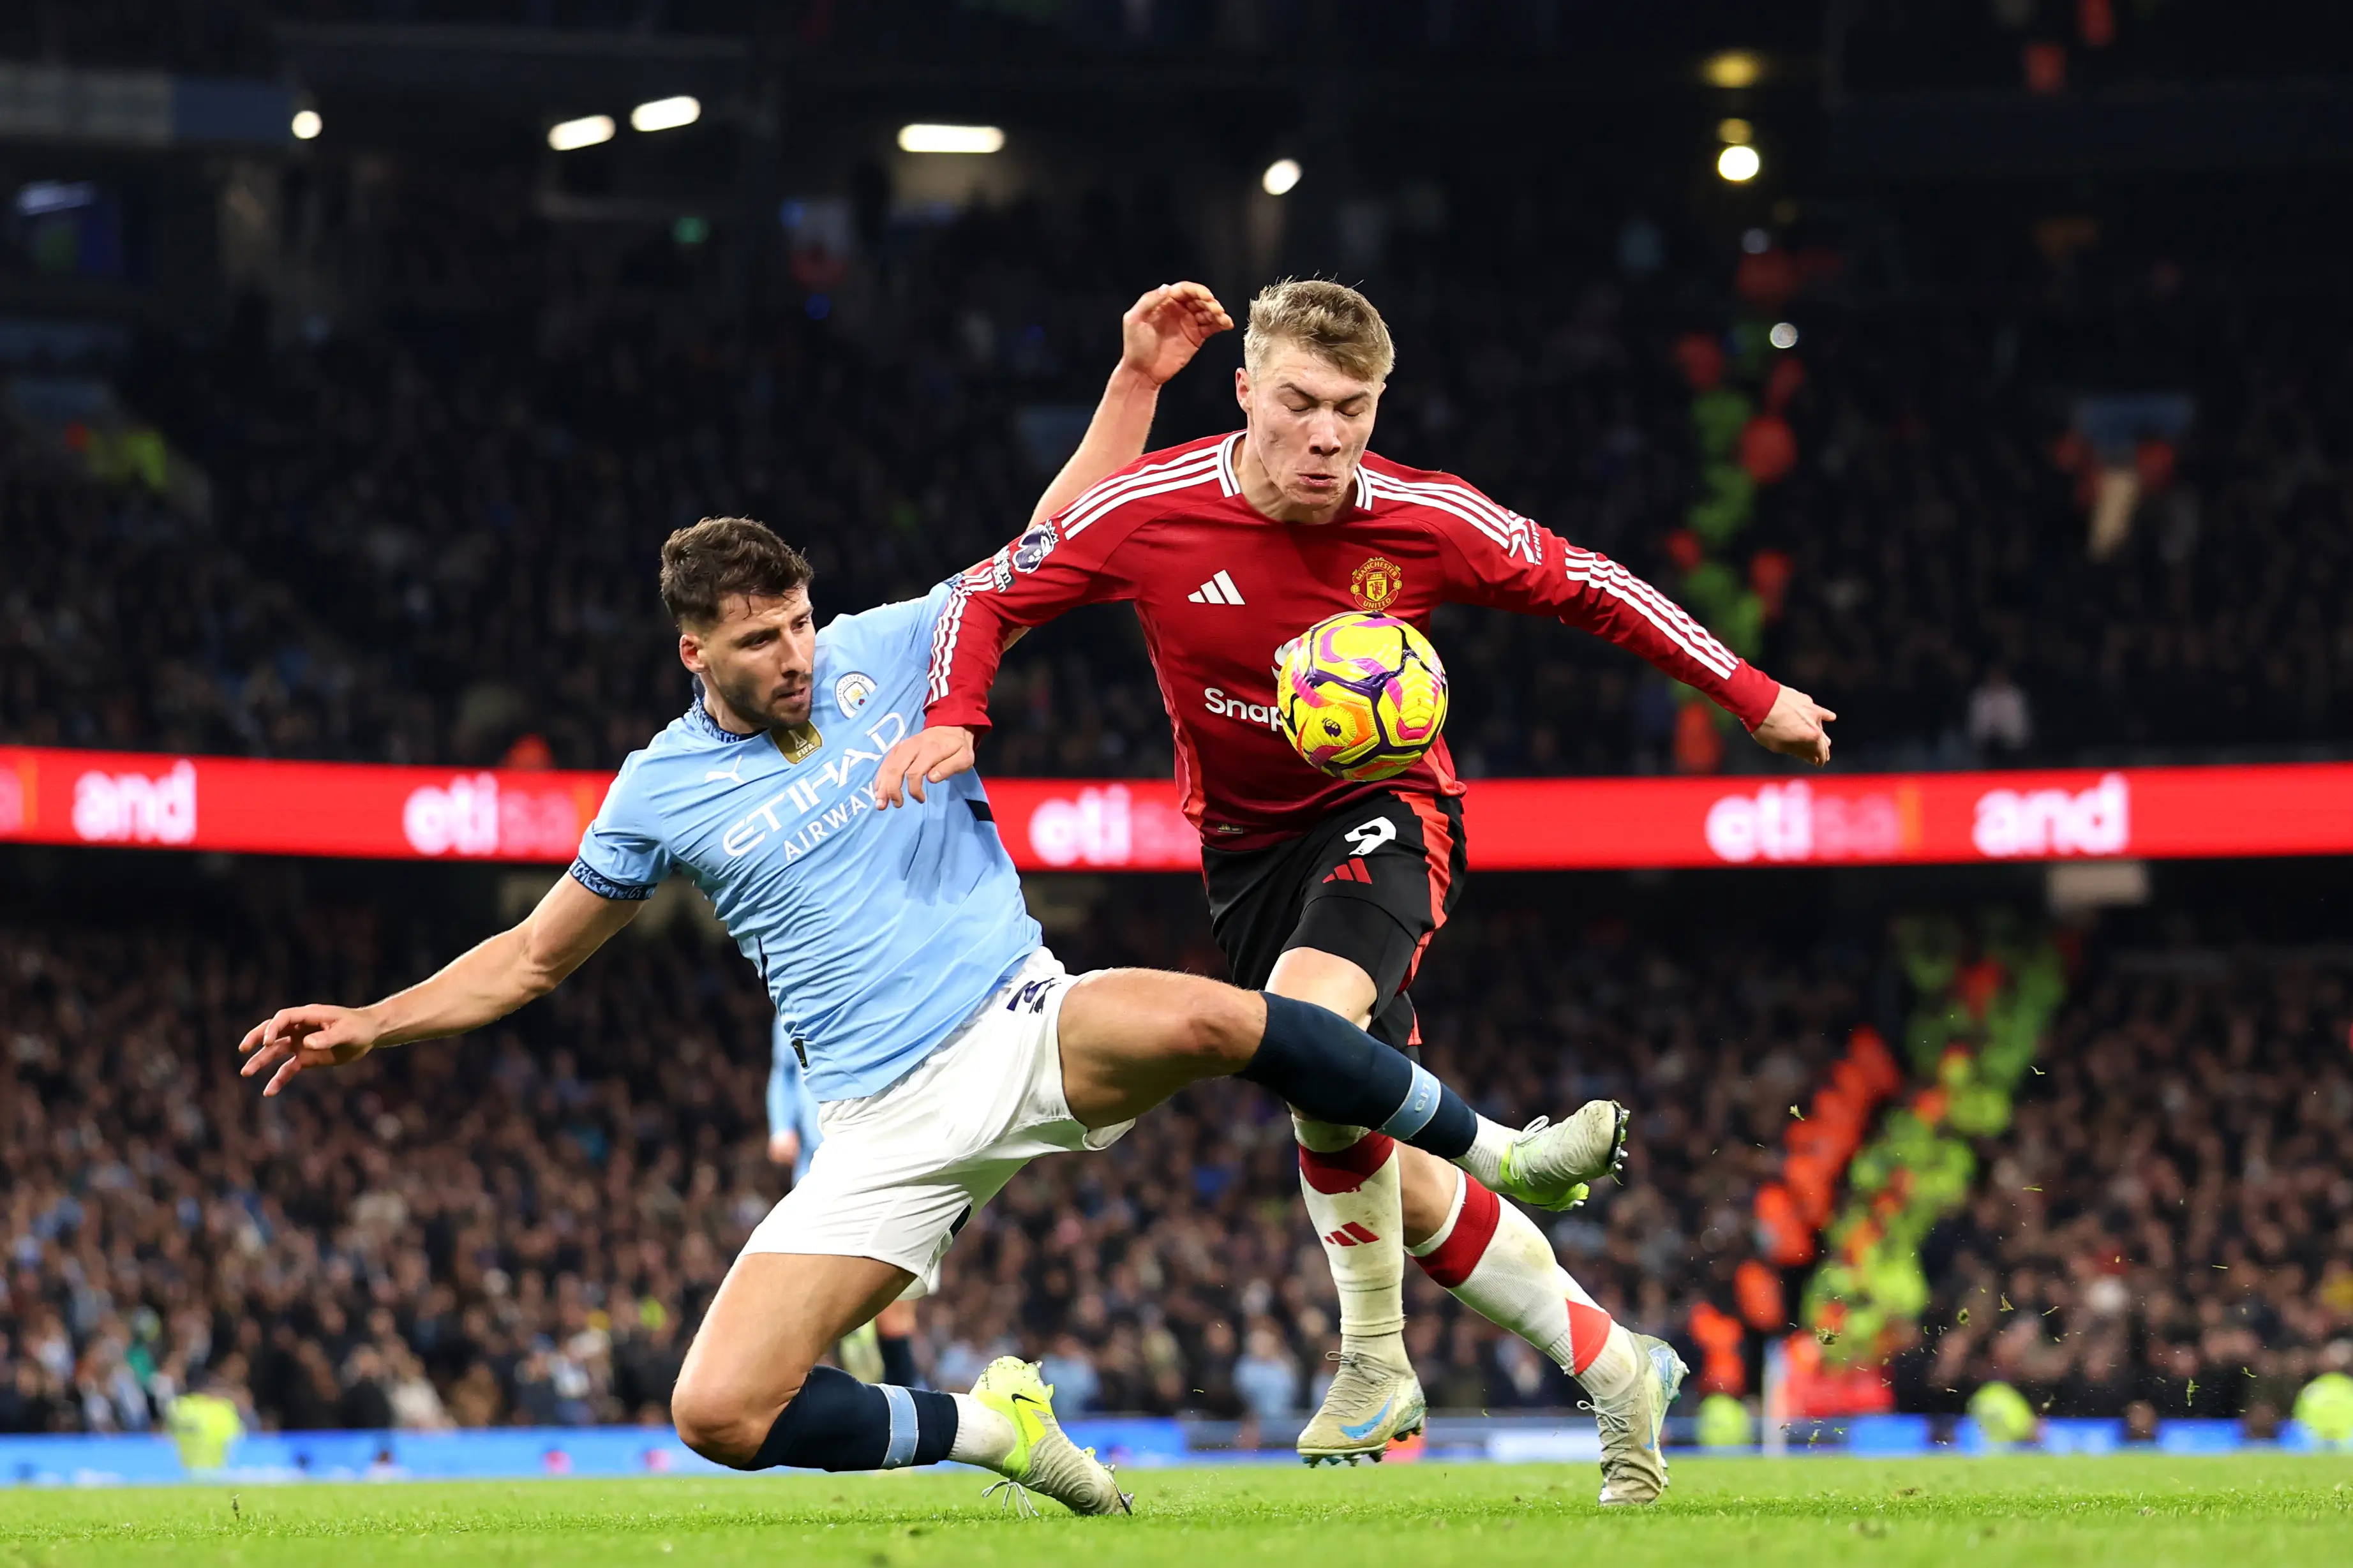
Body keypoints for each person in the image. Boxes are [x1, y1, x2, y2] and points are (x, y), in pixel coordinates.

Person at [237, 514, 1629, 1515]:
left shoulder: (888, 647)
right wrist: (376, 1017)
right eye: (759, 641)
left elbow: (1057, 541)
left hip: (1024, 1020)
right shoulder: (655, 791)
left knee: (1224, 1021)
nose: (793, 654)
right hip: (876, 1122)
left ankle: (1503, 1147)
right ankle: (992, 1428)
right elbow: (534, 959)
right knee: (717, 1412)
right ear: (692, 651)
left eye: (797, 622)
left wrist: (1137, 380)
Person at [882, 277, 1838, 1501]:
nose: (1326, 435)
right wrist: (959, 714)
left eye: (1353, 408)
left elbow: (1593, 582)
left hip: (1387, 814)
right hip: (1241, 854)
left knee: (1308, 1034)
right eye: (1298, 403)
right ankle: (1616, 1367)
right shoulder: (1151, 509)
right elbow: (987, 593)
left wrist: (1750, 694)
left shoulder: (1425, 519)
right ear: (1245, 392)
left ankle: (1375, 1359)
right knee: (1386, 1158)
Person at [769, 1024, 920, 1386]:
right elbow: (784, 1071)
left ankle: (908, 1404)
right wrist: (780, 1127)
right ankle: (841, 1404)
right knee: (821, 1303)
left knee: (893, 1307)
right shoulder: (792, 993)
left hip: (886, 1166)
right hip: (817, 1170)